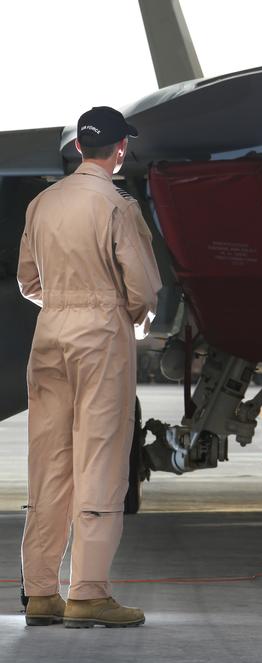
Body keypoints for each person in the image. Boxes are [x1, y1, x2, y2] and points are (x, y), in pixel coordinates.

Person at [17, 105, 162, 628]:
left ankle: (39, 593)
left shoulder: (42, 203)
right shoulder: (118, 206)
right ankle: (88, 593)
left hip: (49, 330)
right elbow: (143, 289)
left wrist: (63, 302)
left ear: (78, 147)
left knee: (49, 460)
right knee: (98, 457)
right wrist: (125, 315)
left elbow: (28, 282)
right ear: (120, 149)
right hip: (100, 333)